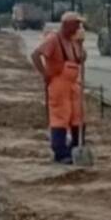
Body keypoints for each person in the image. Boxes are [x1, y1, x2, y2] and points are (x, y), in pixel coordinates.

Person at [31, 11, 86, 164]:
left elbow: (80, 59)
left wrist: (81, 46)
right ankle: (60, 152)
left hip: (73, 84)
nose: (79, 27)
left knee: (78, 115)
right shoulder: (53, 39)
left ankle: (76, 147)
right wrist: (44, 73)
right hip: (58, 83)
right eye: (76, 24)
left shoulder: (74, 40)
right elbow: (35, 55)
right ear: (67, 25)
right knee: (61, 116)